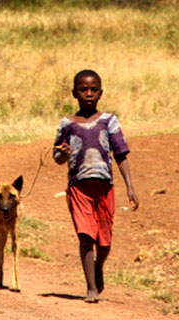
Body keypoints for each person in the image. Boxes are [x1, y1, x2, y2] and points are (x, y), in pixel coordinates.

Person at [53, 69, 139, 303]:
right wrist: (63, 154)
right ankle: (91, 287)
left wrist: (130, 186)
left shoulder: (109, 122)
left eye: (93, 89)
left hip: (105, 188)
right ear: (74, 93)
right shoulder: (67, 124)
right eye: (83, 89)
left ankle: (98, 265)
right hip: (78, 188)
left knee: (105, 241)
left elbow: (120, 154)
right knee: (85, 237)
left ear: (101, 93)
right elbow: (57, 157)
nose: (88, 94)